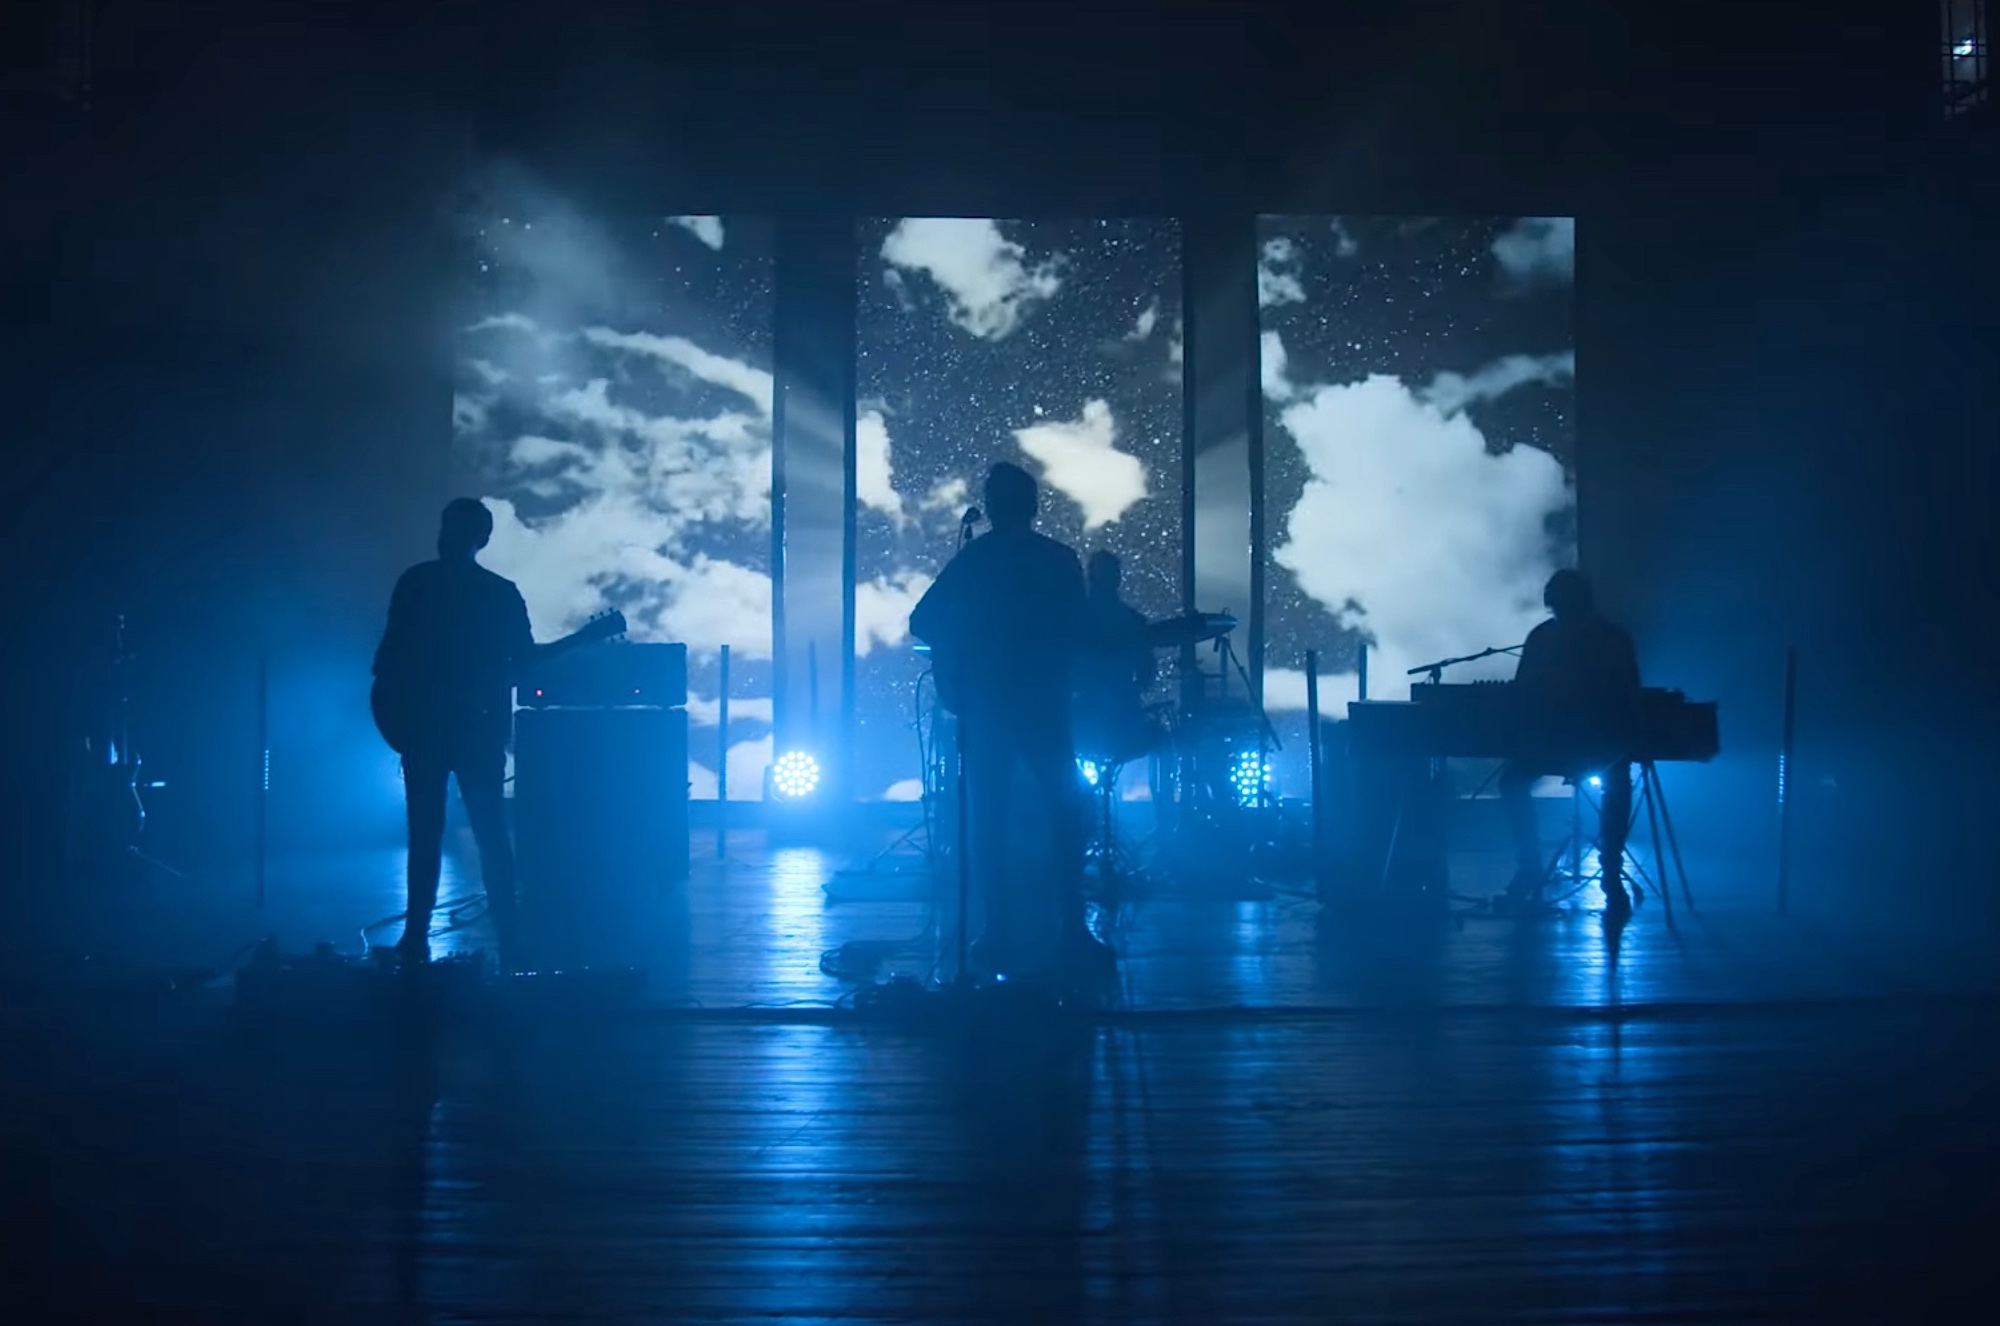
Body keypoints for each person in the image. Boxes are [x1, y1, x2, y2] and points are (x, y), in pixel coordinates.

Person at [909, 463, 1110, 978]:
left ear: (992, 507)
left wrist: (961, 657)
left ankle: (995, 929)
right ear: (1034, 505)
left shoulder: (975, 559)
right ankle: (1072, 927)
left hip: (988, 704)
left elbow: (923, 619)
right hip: (1043, 703)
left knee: (988, 817)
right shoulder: (1059, 560)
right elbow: (1080, 630)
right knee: (1066, 812)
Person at [372, 498, 534, 960]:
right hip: (470, 732)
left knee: (430, 836)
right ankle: (508, 942)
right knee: (488, 837)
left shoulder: (417, 582)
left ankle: (417, 938)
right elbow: (525, 663)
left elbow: (385, 663)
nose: (449, 536)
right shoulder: (497, 593)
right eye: (449, 527)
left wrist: (397, 721)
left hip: (429, 731)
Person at [1498, 569, 1642, 915]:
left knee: (1513, 781)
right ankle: (1610, 873)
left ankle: (1534, 868)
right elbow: (1632, 693)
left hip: (1567, 744)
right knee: (1618, 781)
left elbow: (1522, 693)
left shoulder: (1544, 637)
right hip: (1591, 745)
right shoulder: (1612, 637)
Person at [1071, 550, 1156, 766]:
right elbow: (1146, 671)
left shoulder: (1074, 618)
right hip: (1120, 709)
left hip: (1088, 709)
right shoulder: (1133, 620)